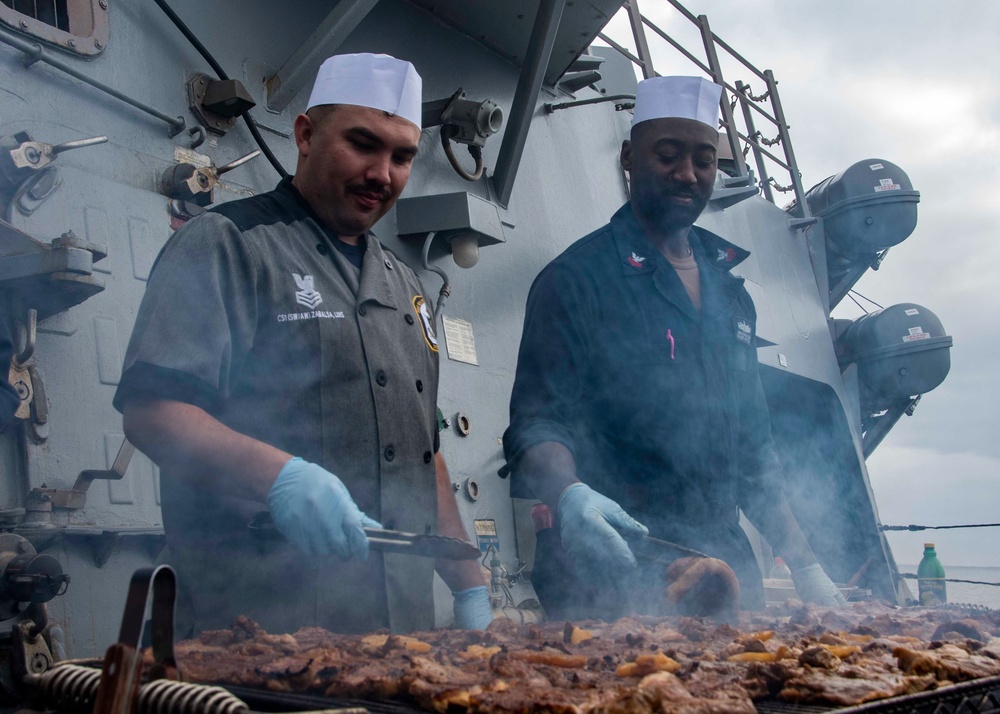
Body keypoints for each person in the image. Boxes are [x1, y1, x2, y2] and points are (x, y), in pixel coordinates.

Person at [114, 53, 491, 635]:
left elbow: (424, 449)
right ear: (306, 134)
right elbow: (152, 412)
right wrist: (281, 478)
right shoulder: (229, 243)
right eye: (363, 144)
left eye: (401, 156)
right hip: (255, 626)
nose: (382, 173)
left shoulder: (407, 285)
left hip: (399, 631)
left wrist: (469, 583)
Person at [503, 76, 846, 620]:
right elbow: (536, 425)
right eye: (667, 155)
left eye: (704, 160)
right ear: (628, 158)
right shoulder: (575, 280)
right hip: (615, 561)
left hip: (724, 568)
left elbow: (755, 453)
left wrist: (806, 567)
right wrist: (570, 496)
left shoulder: (731, 294)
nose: (687, 174)